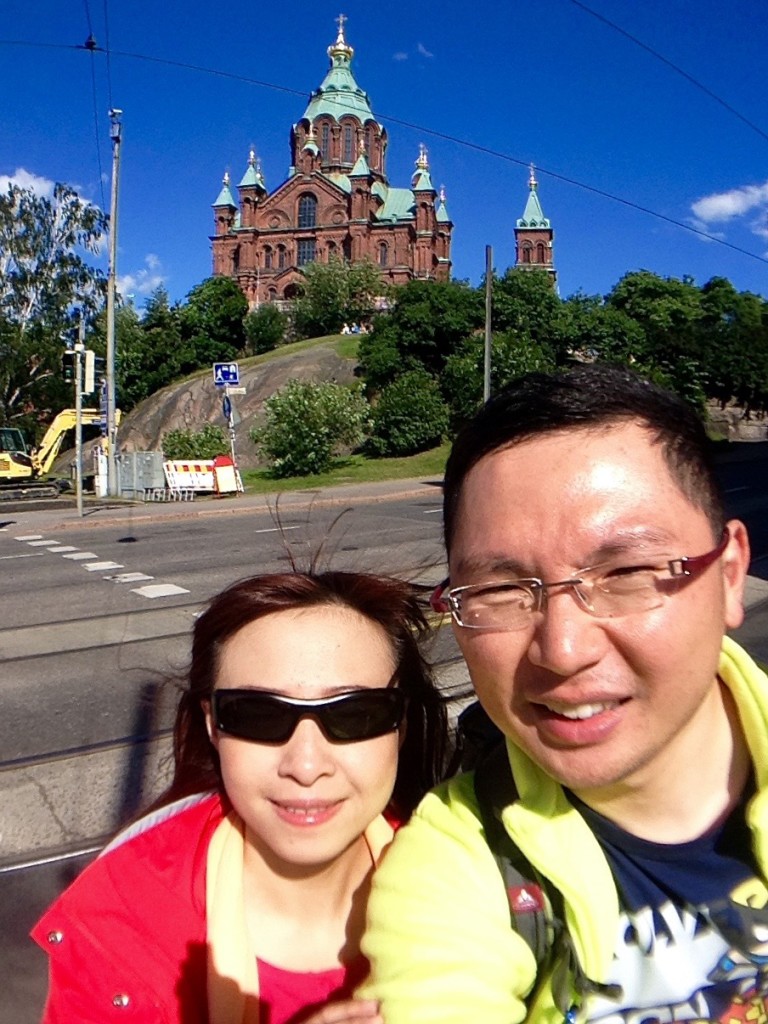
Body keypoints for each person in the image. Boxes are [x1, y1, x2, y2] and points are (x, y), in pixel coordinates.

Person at [359, 363, 768, 1024]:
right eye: (498, 591)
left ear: (728, 577)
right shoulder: (458, 866)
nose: (564, 649)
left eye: (627, 572)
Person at [32, 569, 448, 1024]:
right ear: (212, 724)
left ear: (400, 725)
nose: (306, 766)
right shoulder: (117, 920)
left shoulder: (475, 890)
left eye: (355, 714)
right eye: (257, 715)